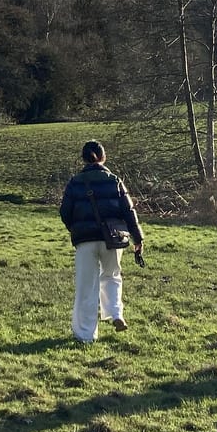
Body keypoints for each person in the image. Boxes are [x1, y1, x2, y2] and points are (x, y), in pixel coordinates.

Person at [59, 140, 144, 343]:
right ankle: (116, 314)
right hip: (112, 238)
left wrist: (76, 228)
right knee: (112, 276)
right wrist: (138, 238)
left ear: (83, 158)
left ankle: (86, 334)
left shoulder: (75, 182)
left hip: (85, 240)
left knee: (86, 286)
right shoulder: (114, 180)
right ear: (103, 157)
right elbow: (129, 211)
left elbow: (65, 212)